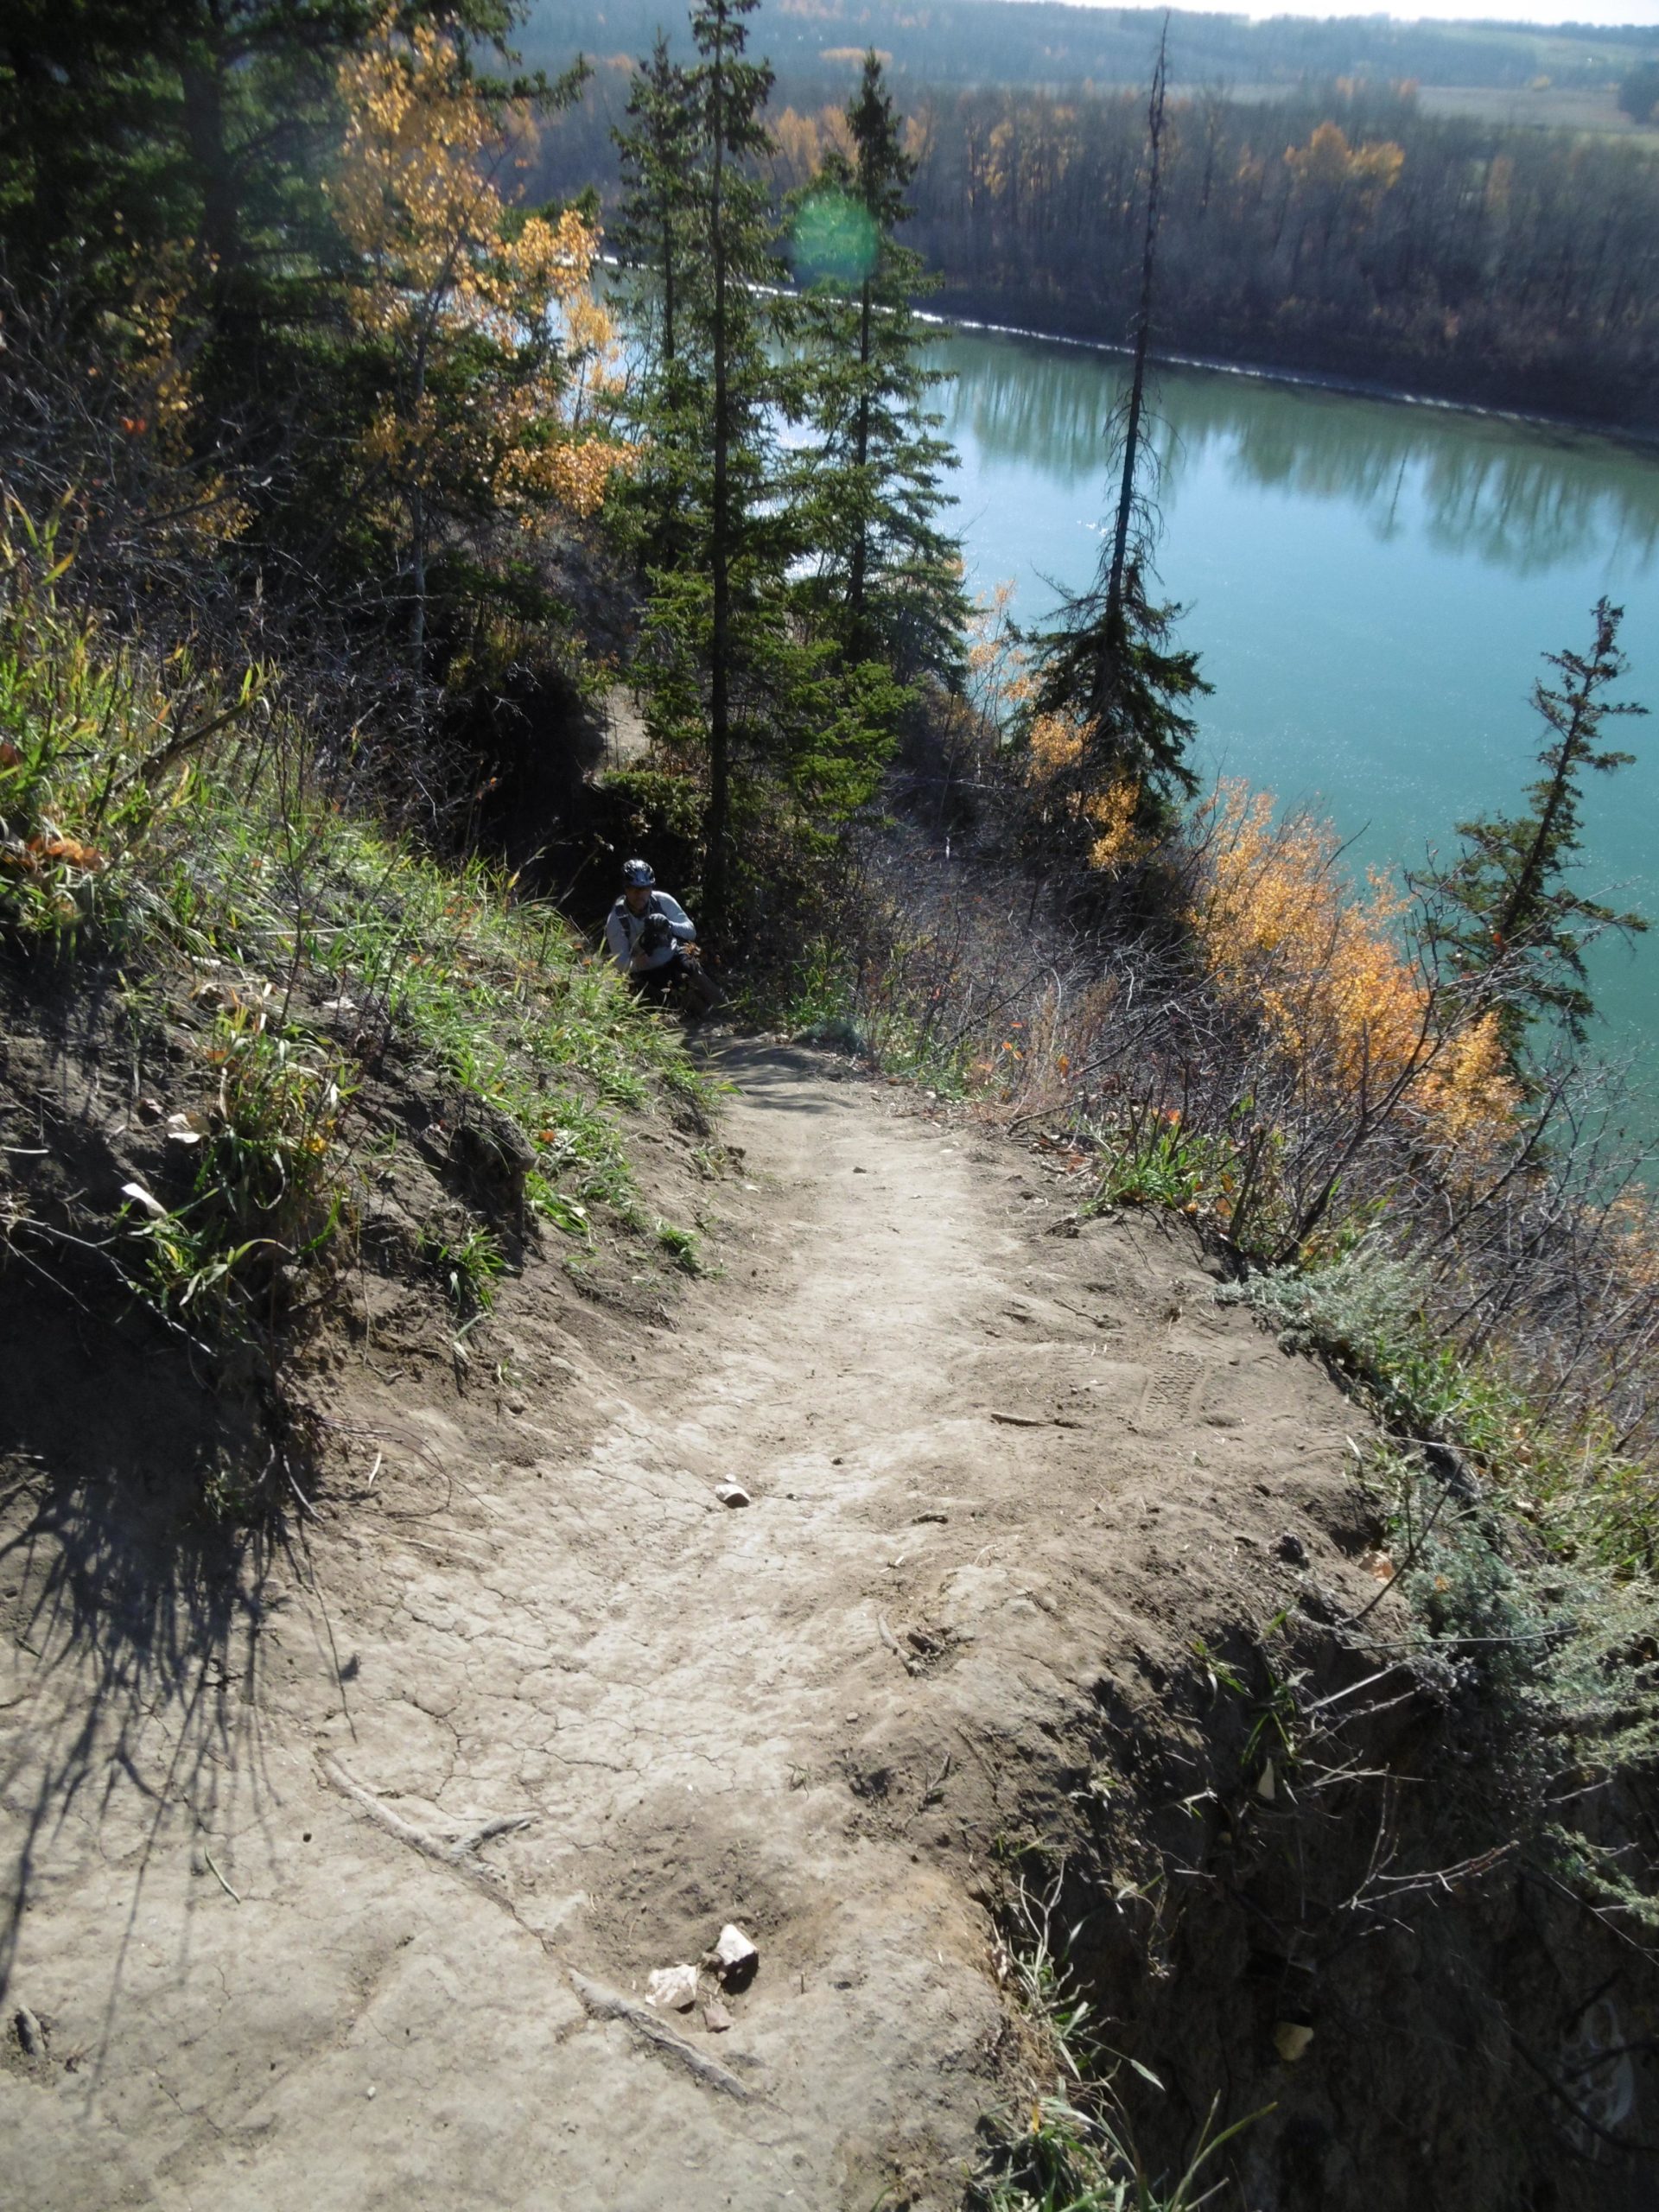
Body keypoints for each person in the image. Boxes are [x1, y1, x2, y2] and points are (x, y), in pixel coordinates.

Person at [604, 859, 717, 1014]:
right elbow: (620, 962)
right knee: (689, 1003)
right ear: (626, 889)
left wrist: (669, 926)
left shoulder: (663, 901)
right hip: (647, 968)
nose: (640, 894)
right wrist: (637, 963)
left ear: (651, 888)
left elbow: (691, 931)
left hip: (674, 953)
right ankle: (702, 1016)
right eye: (634, 889)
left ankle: (727, 1010)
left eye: (645, 889)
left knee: (695, 972)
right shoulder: (617, 920)